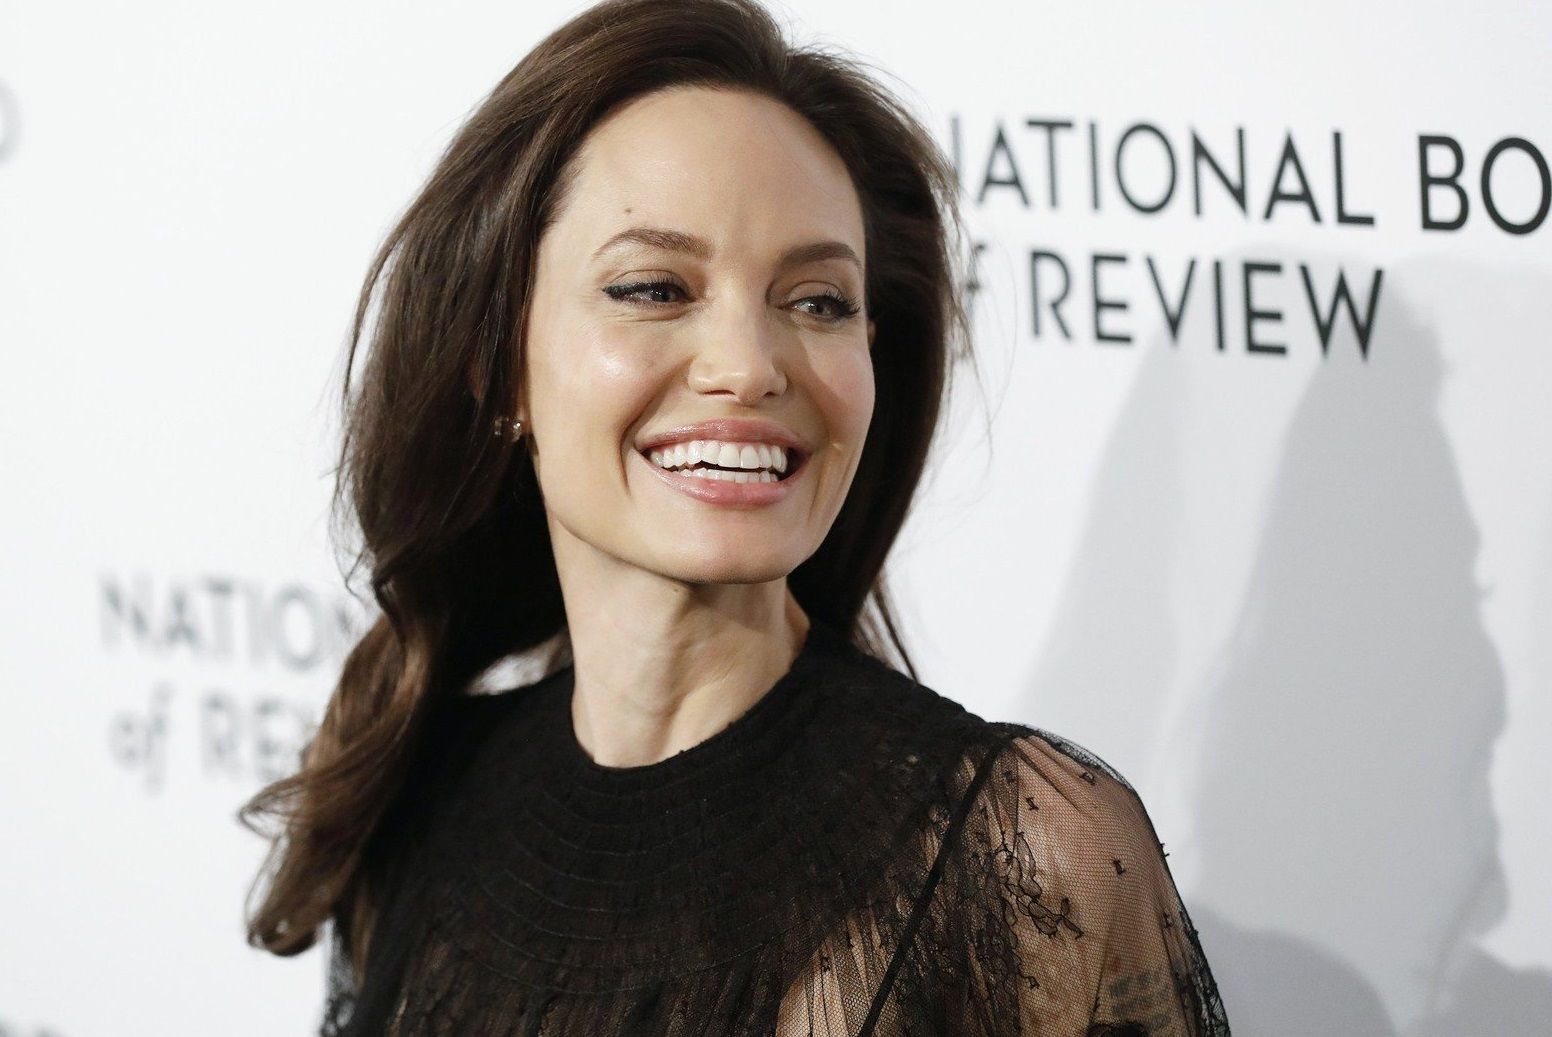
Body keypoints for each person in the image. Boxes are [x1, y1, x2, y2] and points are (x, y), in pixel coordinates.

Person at [238, 0, 1231, 1033]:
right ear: (499, 364)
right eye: (653, 287)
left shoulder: (1017, 856)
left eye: (817, 301)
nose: (749, 367)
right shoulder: (421, 796)